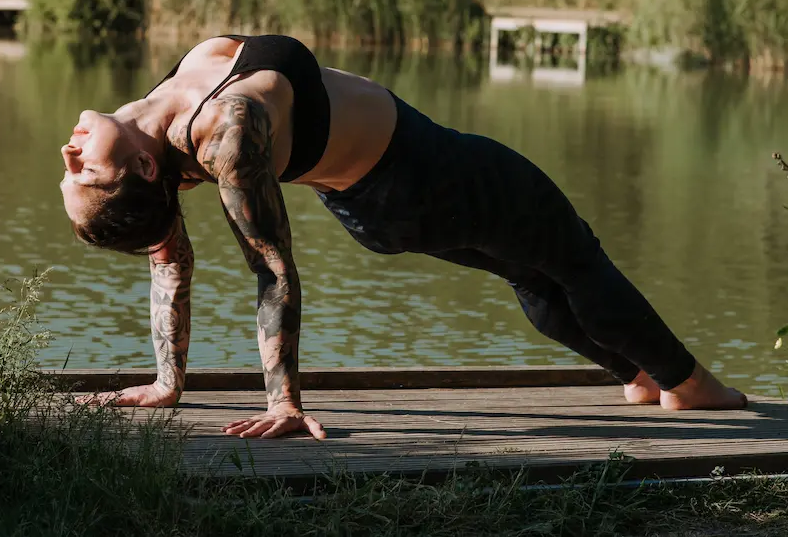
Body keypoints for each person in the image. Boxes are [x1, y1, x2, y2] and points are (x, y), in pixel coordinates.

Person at [59, 35, 747, 441]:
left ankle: (635, 375)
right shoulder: (223, 134)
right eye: (85, 172)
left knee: (534, 273)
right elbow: (272, 270)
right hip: (423, 177)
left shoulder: (155, 126)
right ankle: (686, 382)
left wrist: (166, 384)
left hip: (382, 200)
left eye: (74, 170)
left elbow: (167, 252)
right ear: (144, 166)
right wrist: (284, 405)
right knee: (568, 250)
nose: (69, 153)